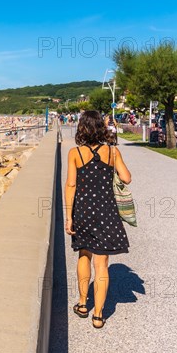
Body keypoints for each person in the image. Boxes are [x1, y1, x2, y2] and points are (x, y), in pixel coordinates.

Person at [64, 110, 132, 329]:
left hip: (83, 211)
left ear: (82, 128)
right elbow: (127, 178)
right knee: (101, 263)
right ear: (101, 128)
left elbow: (71, 185)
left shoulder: (75, 153)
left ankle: (83, 304)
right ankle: (99, 315)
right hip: (106, 212)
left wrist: (68, 217)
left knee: (84, 253)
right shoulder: (113, 153)